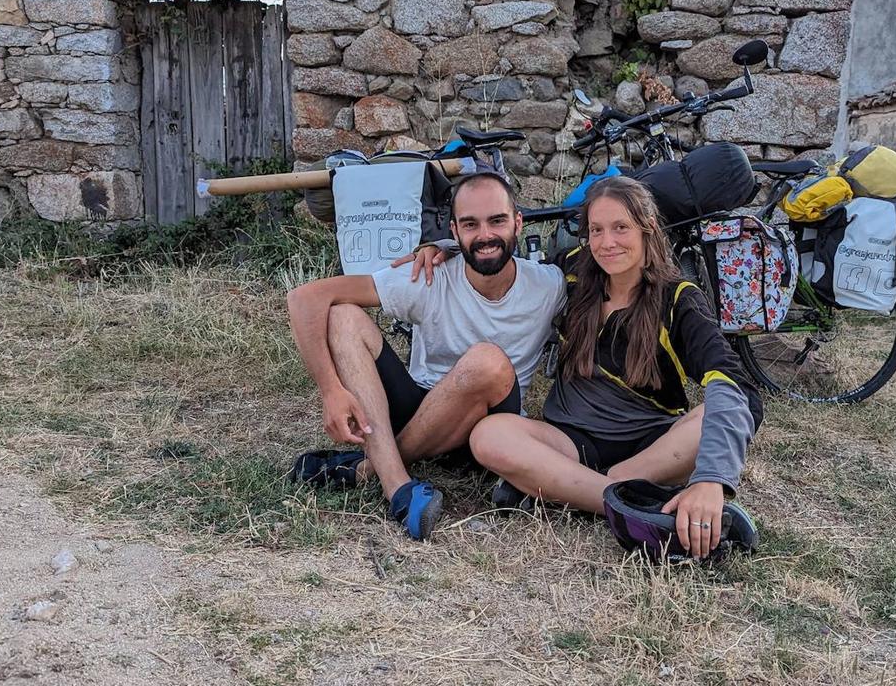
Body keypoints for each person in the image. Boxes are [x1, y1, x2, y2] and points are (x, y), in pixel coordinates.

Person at [467, 176, 763, 559]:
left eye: (621, 227)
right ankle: (643, 506)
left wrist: (712, 481)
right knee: (489, 435)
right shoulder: (573, 274)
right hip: (569, 441)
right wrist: (443, 249)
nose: (607, 243)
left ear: (648, 227)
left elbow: (738, 388)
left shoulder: (678, 299)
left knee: (715, 409)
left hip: (652, 447)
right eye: (596, 230)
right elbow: (504, 268)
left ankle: (566, 488)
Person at [285, 172, 566, 540]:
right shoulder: (430, 275)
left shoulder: (550, 284)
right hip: (421, 406)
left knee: (488, 361)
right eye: (470, 224)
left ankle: (368, 468)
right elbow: (304, 298)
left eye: (496, 220)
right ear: (454, 230)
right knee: (343, 316)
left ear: (518, 222)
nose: (484, 235)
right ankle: (399, 489)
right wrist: (331, 391)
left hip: (492, 427)